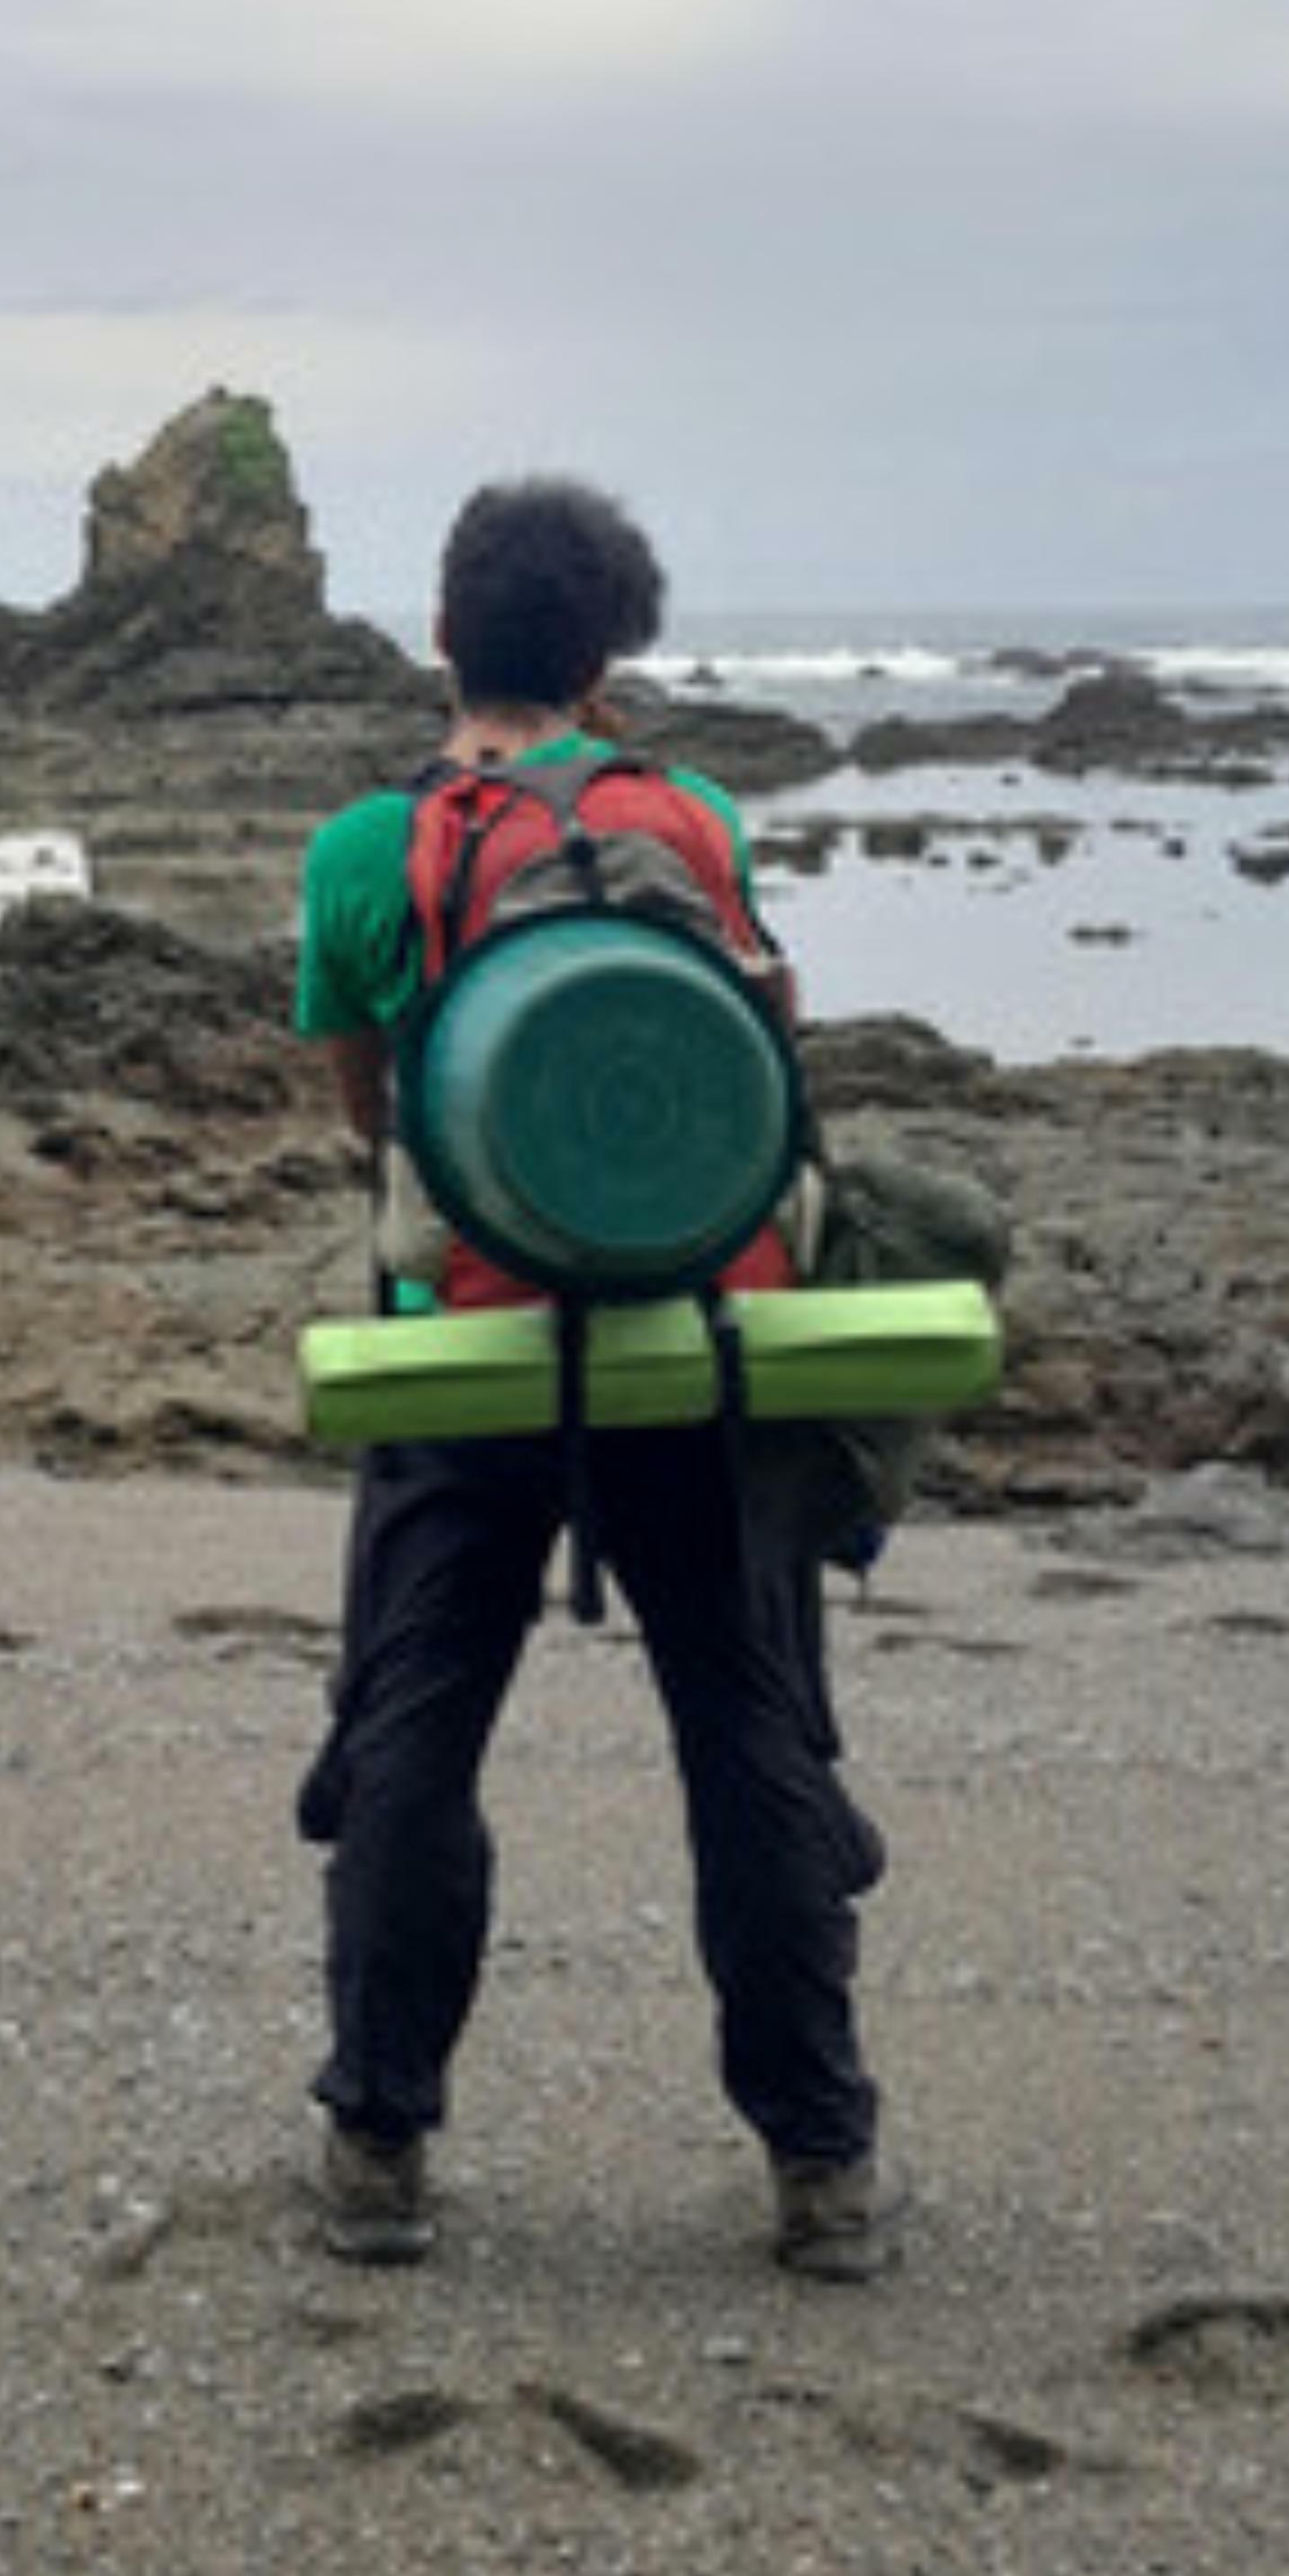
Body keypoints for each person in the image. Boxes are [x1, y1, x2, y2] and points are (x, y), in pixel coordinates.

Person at [291, 475, 904, 2282]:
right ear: (609, 656)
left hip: (470, 1354)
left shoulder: (365, 850)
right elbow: (763, 1049)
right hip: (697, 1344)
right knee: (750, 1735)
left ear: (439, 634)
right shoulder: (693, 817)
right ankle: (821, 2168)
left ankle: (380, 2149)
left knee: (412, 1738)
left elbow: (367, 1106)